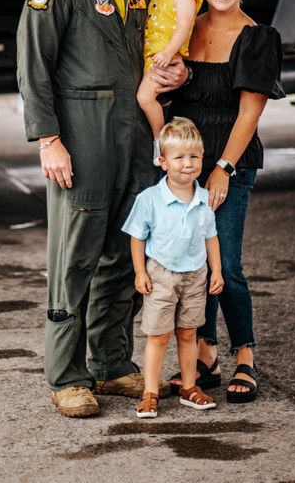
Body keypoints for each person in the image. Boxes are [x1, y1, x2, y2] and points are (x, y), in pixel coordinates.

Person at [16, 0, 188, 418]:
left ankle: (112, 364)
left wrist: (175, 74)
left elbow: (158, 48)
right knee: (76, 257)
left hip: (134, 134)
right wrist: (49, 140)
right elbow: (33, 67)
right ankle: (68, 376)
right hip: (82, 132)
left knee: (123, 252)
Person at [163, 0, 285, 403]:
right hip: (185, 168)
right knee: (194, 267)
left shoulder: (258, 38)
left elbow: (249, 115)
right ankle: (207, 354)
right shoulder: (185, 29)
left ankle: (246, 355)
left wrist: (223, 170)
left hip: (229, 164)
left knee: (225, 265)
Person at [123, 117, 224, 418]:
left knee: (188, 333)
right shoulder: (150, 199)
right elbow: (137, 238)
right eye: (179, 157)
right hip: (161, 275)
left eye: (194, 156)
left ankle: (189, 388)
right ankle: (150, 392)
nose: (188, 164)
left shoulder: (204, 200)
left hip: (195, 275)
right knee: (159, 336)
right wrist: (140, 272)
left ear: (202, 159)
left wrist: (216, 271)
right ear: (163, 162)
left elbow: (211, 238)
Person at [136, 0, 203, 166]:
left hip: (165, 58)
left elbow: (184, 26)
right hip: (153, 57)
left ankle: (160, 140)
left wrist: (168, 52)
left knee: (144, 98)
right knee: (150, 97)